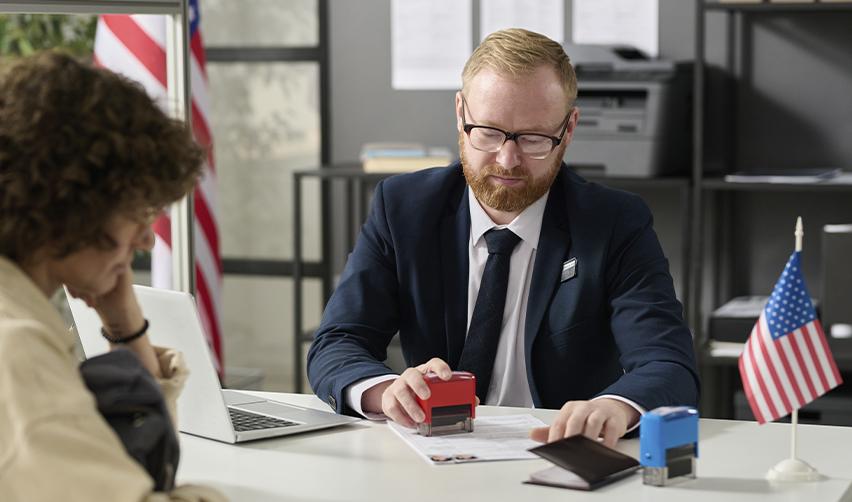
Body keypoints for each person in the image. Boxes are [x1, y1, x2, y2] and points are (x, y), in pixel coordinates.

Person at [307, 28, 699, 448]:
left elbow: (668, 363)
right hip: (432, 452)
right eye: (489, 132)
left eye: (533, 138)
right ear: (460, 114)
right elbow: (338, 341)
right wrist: (385, 393)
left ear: (568, 130)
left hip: (558, 454)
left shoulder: (615, 222)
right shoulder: (403, 208)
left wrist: (617, 406)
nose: (507, 160)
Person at [0, 52, 223, 501]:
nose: (144, 239)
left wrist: (125, 325)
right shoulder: (16, 345)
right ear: (71, 206)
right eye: (135, 211)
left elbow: (138, 455)